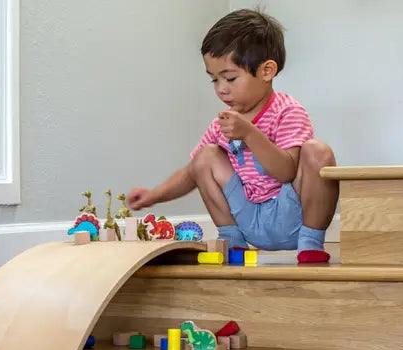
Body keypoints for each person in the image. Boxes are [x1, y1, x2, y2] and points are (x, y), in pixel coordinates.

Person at [127, 9, 338, 263]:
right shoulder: (222, 124)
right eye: (214, 80)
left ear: (267, 71)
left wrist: (249, 133)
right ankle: (233, 242)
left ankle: (311, 243)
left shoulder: (287, 111)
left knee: (318, 151)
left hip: (291, 215)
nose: (221, 89)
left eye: (230, 78)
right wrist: (154, 195)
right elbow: (191, 172)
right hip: (247, 216)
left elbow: (286, 172)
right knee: (205, 157)